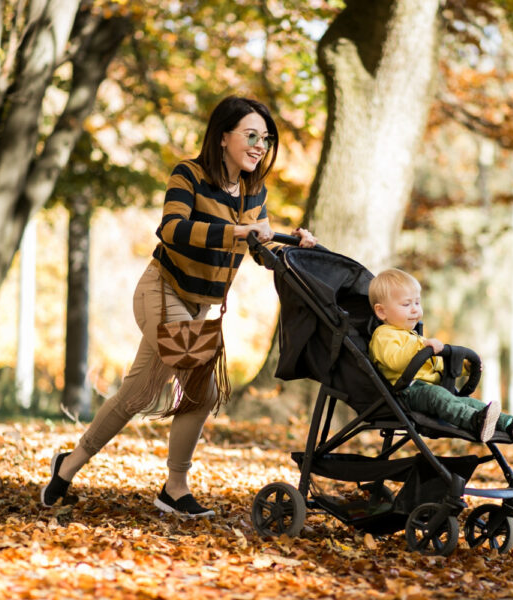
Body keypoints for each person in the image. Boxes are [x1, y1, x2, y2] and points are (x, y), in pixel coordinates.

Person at [41, 96, 317, 517]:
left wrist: (294, 242)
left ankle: (71, 465)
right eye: (251, 135)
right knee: (200, 387)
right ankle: (175, 486)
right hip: (161, 291)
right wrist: (239, 231)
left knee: (137, 394)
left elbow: (256, 248)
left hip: (200, 308)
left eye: (266, 138)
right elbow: (172, 229)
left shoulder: (252, 191)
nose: (260, 144)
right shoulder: (188, 173)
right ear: (223, 137)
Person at [368, 268, 513, 443]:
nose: (415, 310)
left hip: (430, 388)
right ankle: (475, 422)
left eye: (417, 303)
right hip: (406, 391)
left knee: (469, 403)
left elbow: (435, 365)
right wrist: (421, 347)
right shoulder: (384, 335)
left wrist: (463, 367)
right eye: (407, 304)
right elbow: (395, 361)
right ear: (381, 311)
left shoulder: (413, 336)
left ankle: (510, 424)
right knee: (439, 397)